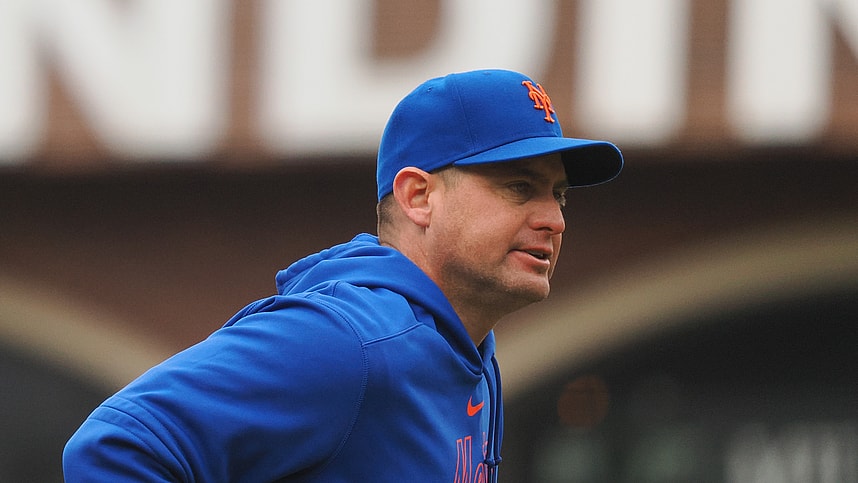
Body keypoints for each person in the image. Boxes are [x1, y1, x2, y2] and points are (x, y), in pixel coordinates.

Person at [63, 69, 623, 482]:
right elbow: (117, 446)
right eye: (519, 187)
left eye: (560, 196)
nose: (552, 219)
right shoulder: (351, 342)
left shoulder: (471, 351)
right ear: (418, 197)